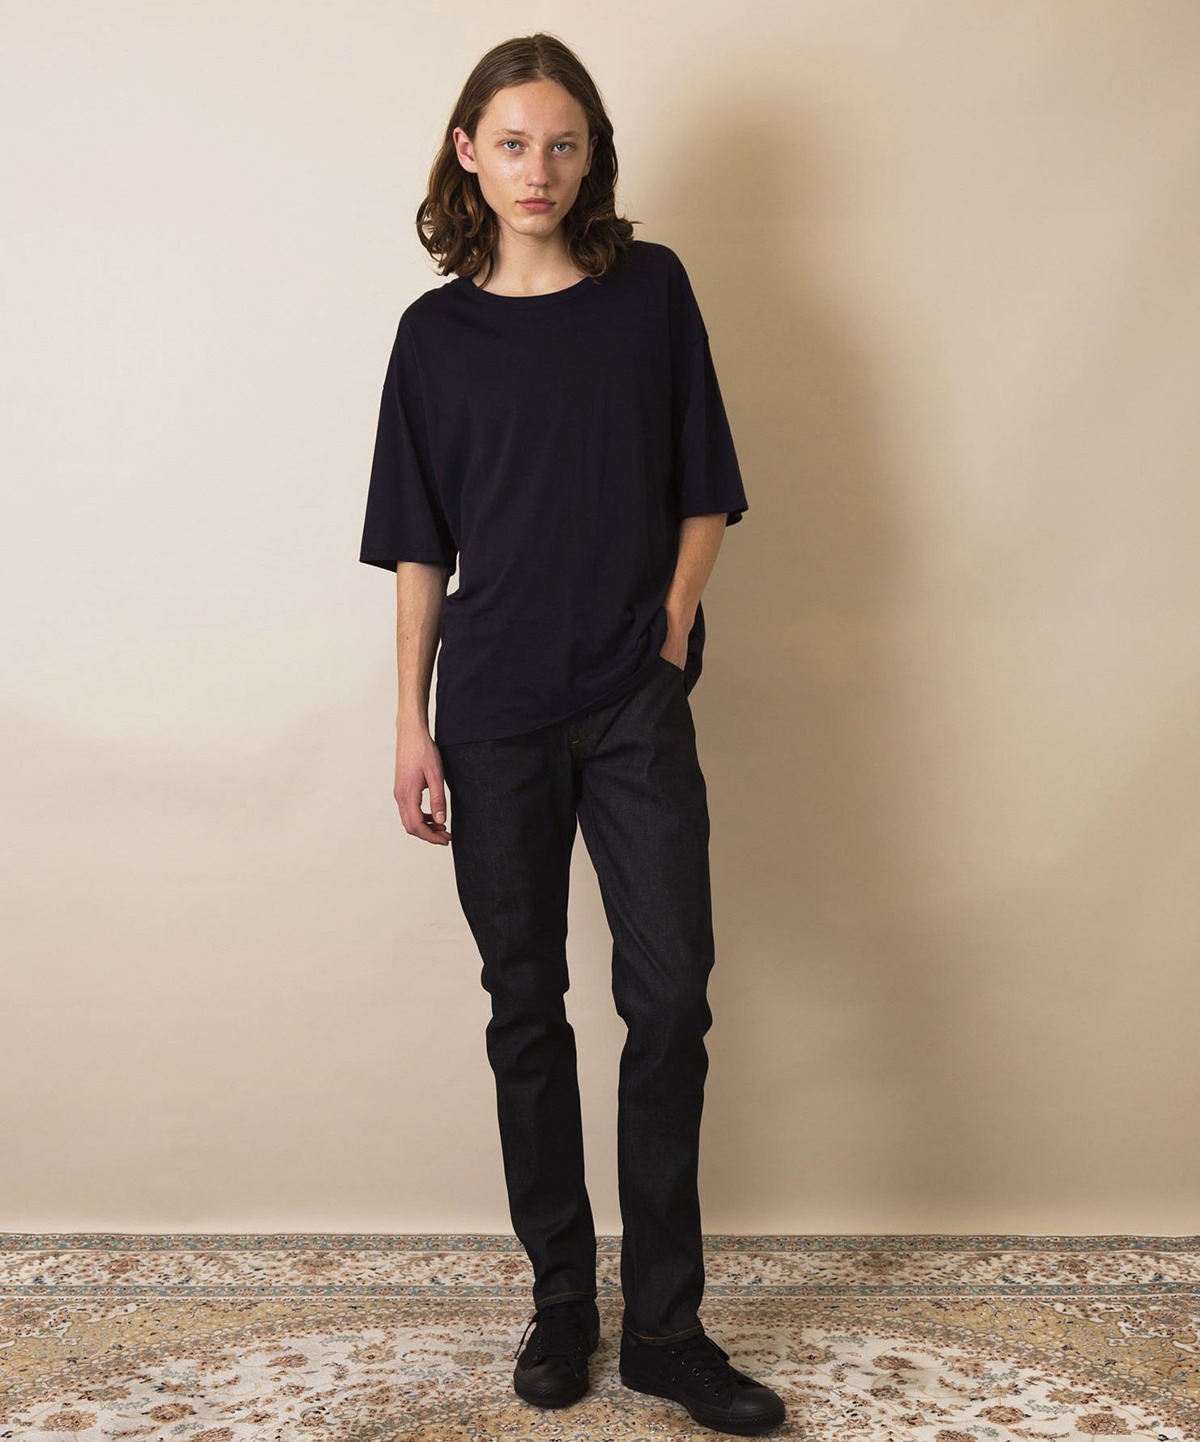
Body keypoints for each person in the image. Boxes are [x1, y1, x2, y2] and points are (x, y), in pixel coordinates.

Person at [359, 32, 786, 1438]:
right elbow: (419, 546)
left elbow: (706, 484)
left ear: (592, 154)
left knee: (670, 999)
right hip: (489, 712)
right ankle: (561, 1303)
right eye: (510, 142)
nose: (536, 168)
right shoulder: (433, 339)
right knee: (526, 1006)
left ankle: (666, 1329)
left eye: (562, 142)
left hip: (629, 702)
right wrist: (410, 720)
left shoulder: (649, 292)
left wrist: (669, 625)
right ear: (466, 154)